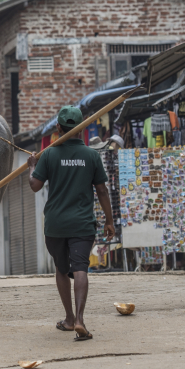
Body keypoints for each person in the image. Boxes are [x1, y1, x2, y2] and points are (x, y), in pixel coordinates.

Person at [27, 105, 115, 341]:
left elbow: (34, 186)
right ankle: (79, 320)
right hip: (82, 224)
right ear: (81, 129)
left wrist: (32, 167)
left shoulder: (49, 154)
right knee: (80, 268)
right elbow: (102, 191)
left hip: (55, 226)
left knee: (62, 269)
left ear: (58, 128)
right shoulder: (91, 155)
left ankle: (68, 319)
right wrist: (109, 221)